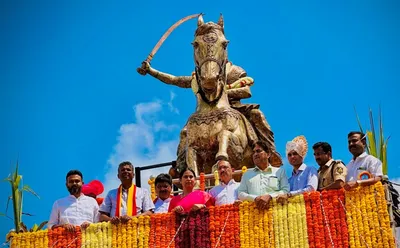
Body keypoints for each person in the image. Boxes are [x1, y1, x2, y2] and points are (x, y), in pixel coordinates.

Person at [238, 140, 290, 210]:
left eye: (258, 151)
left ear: (268, 154)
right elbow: (241, 193)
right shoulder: (247, 174)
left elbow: (285, 190)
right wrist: (255, 198)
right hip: (254, 216)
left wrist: (270, 196)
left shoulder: (279, 171)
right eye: (254, 152)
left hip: (277, 214)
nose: (255, 154)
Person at [277, 135, 318, 203]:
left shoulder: (310, 170)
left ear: (301, 155)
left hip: (309, 209)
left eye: (295, 153)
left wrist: (290, 194)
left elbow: (311, 189)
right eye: (289, 155)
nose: (292, 157)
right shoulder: (289, 180)